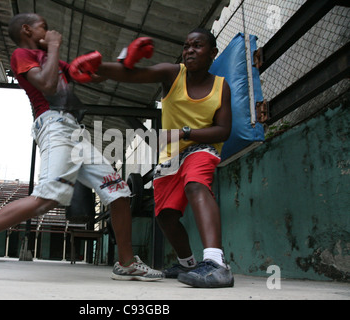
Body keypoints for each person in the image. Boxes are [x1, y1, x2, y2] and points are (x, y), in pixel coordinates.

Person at [0, 13, 163, 282]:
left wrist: (126, 59)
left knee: (118, 192)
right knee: (47, 198)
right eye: (44, 26)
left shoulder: (52, 61)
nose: (51, 30)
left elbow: (92, 76)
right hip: (53, 125)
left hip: (75, 132)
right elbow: (47, 84)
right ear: (28, 30)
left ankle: (126, 262)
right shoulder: (22, 54)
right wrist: (52, 47)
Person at [69, 28, 234, 288]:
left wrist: (184, 132)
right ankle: (187, 263)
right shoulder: (172, 73)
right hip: (170, 156)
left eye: (198, 46)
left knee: (195, 185)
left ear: (213, 53)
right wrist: (98, 66)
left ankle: (216, 263)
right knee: (166, 215)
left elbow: (223, 130)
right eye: (186, 45)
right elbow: (133, 75)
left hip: (202, 147)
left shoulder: (221, 86)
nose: (190, 50)